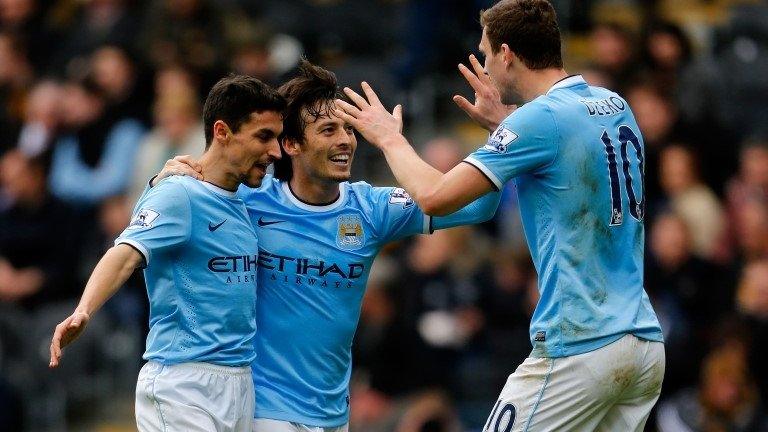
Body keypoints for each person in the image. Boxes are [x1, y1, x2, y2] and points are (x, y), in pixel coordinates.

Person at [335, 0, 665, 430]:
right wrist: (504, 125)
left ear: (506, 53)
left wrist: (389, 139)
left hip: (580, 344)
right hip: (642, 342)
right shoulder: (612, 102)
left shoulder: (538, 120)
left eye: (486, 53)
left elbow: (435, 197)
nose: (485, 66)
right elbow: (562, 167)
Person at [153, 60, 501, 432]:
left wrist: (398, 139)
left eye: (350, 129)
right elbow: (170, 214)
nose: (345, 141)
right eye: (328, 129)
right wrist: (162, 180)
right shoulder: (248, 200)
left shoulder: (371, 209)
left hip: (334, 415)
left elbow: (479, 205)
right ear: (291, 144)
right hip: (263, 410)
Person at [49, 75, 285, 432]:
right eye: (263, 136)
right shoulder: (179, 194)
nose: (275, 151)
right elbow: (124, 253)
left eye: (278, 138)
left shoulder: (251, 196)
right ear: (222, 131)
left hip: (240, 380)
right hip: (183, 382)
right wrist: (84, 309)